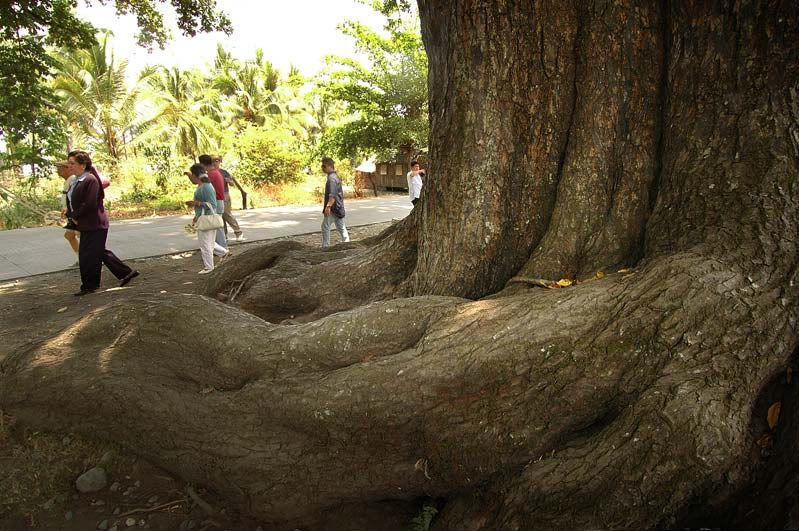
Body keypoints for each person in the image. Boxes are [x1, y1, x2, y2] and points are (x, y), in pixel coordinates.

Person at [66, 151, 138, 296]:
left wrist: (75, 215)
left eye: (72, 163)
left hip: (95, 224)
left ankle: (89, 285)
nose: (69, 166)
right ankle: (126, 273)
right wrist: (70, 214)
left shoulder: (90, 180)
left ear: (83, 164)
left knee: (88, 255)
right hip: (84, 223)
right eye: (69, 163)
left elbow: (90, 203)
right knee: (96, 252)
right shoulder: (76, 180)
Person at [185, 163, 219, 274]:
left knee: (205, 244)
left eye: (191, 175)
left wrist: (196, 203)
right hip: (202, 217)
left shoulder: (206, 187)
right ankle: (224, 253)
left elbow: (212, 204)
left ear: (195, 175)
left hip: (207, 218)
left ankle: (209, 267)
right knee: (210, 242)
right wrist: (196, 216)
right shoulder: (202, 186)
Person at [198, 154, 229, 256]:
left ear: (202, 164)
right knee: (217, 226)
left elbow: (199, 183)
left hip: (217, 202)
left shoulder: (211, 174)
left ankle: (223, 249)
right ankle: (220, 249)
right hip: (219, 201)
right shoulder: (216, 172)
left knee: (217, 227)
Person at [213, 155, 245, 242]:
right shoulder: (209, 172)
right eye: (213, 161)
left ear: (220, 162)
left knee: (227, 214)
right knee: (220, 216)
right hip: (214, 195)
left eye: (217, 160)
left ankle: (238, 232)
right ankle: (224, 235)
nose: (215, 162)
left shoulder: (224, 172)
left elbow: (232, 183)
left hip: (224, 194)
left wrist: (229, 181)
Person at [320, 157, 350, 248]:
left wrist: (328, 207)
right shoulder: (334, 177)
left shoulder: (332, 179)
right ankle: (347, 244)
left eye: (323, 166)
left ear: (329, 166)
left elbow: (332, 195)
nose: (322, 168)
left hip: (334, 208)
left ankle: (326, 247)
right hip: (338, 207)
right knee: (341, 227)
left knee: (325, 226)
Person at [57, 160, 80, 261]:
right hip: (70, 214)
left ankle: (91, 261)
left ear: (67, 168)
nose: (57, 170)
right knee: (69, 235)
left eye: (60, 167)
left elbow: (75, 199)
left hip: (75, 215)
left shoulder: (73, 179)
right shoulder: (68, 180)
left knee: (82, 236)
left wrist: (72, 214)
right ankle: (81, 258)